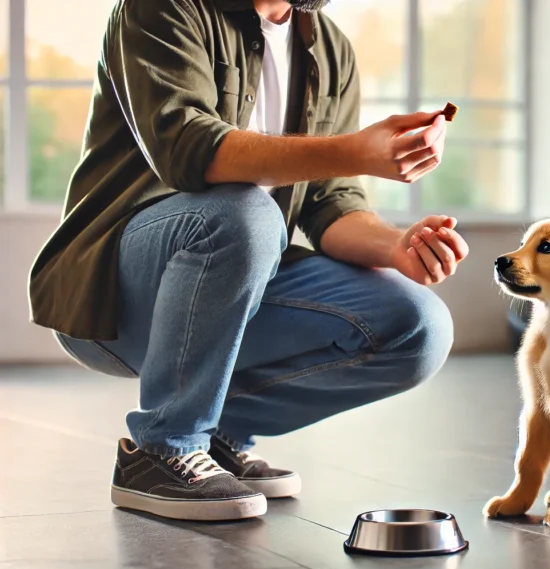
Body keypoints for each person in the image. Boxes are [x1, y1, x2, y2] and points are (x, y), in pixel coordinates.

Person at [27, 0, 469, 522]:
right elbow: (190, 148)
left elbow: (331, 202)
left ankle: (213, 433)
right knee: (244, 213)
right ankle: (163, 449)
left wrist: (396, 247)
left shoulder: (328, 49)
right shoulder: (163, 8)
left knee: (418, 325)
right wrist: (354, 150)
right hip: (115, 299)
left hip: (237, 277)